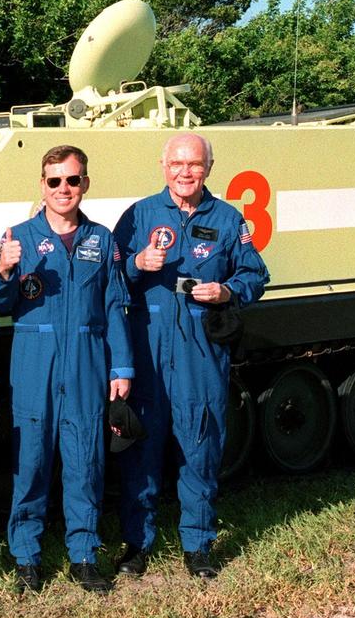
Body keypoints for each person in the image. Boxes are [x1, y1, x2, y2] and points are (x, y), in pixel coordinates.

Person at [112, 133, 269, 578]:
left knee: (200, 444)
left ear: (208, 169)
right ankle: (136, 545)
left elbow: (255, 274)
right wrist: (136, 264)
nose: (185, 172)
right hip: (147, 346)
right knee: (140, 448)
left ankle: (198, 544)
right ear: (163, 167)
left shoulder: (226, 218)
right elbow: (108, 277)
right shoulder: (140, 215)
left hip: (201, 350)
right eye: (177, 164)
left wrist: (227, 290)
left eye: (195, 165)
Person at [0, 144, 133, 595]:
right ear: (43, 185)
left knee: (85, 461)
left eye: (73, 179)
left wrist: (121, 366)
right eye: (55, 181)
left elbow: (114, 306)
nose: (64, 188)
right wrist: (3, 270)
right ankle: (26, 556)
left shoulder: (101, 239)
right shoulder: (19, 237)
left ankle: (85, 554)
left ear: (85, 183)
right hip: (35, 363)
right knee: (29, 462)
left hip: (88, 362)